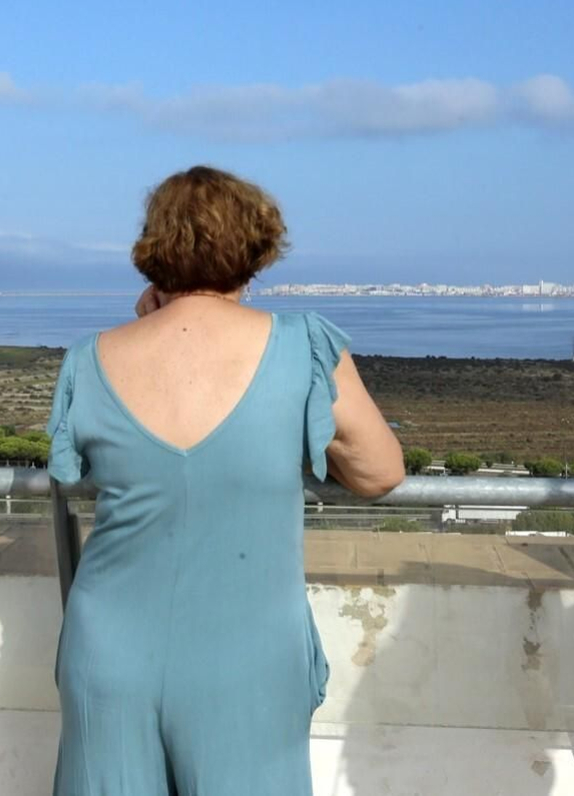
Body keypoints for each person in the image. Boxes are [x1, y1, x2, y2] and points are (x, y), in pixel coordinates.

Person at [47, 166, 405, 795]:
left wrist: (149, 321)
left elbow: (80, 471)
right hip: (249, 658)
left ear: (154, 251)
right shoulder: (304, 346)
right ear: (257, 247)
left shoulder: (89, 357)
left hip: (108, 652)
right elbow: (379, 473)